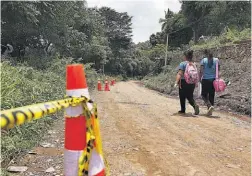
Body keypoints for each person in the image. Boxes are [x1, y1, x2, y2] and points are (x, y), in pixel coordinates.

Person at [174, 50, 199, 115]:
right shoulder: (194, 64)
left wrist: (176, 82)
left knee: (182, 96)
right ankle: (195, 105)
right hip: (192, 82)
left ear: (185, 56)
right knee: (190, 96)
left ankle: (183, 110)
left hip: (183, 82)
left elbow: (180, 73)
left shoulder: (183, 63)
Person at [199, 50, 219, 115]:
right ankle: (210, 110)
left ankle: (209, 105)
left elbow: (201, 71)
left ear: (206, 54)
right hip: (213, 80)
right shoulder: (216, 60)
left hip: (205, 80)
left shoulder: (204, 60)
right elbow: (218, 70)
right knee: (211, 94)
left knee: (203, 94)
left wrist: (199, 78)